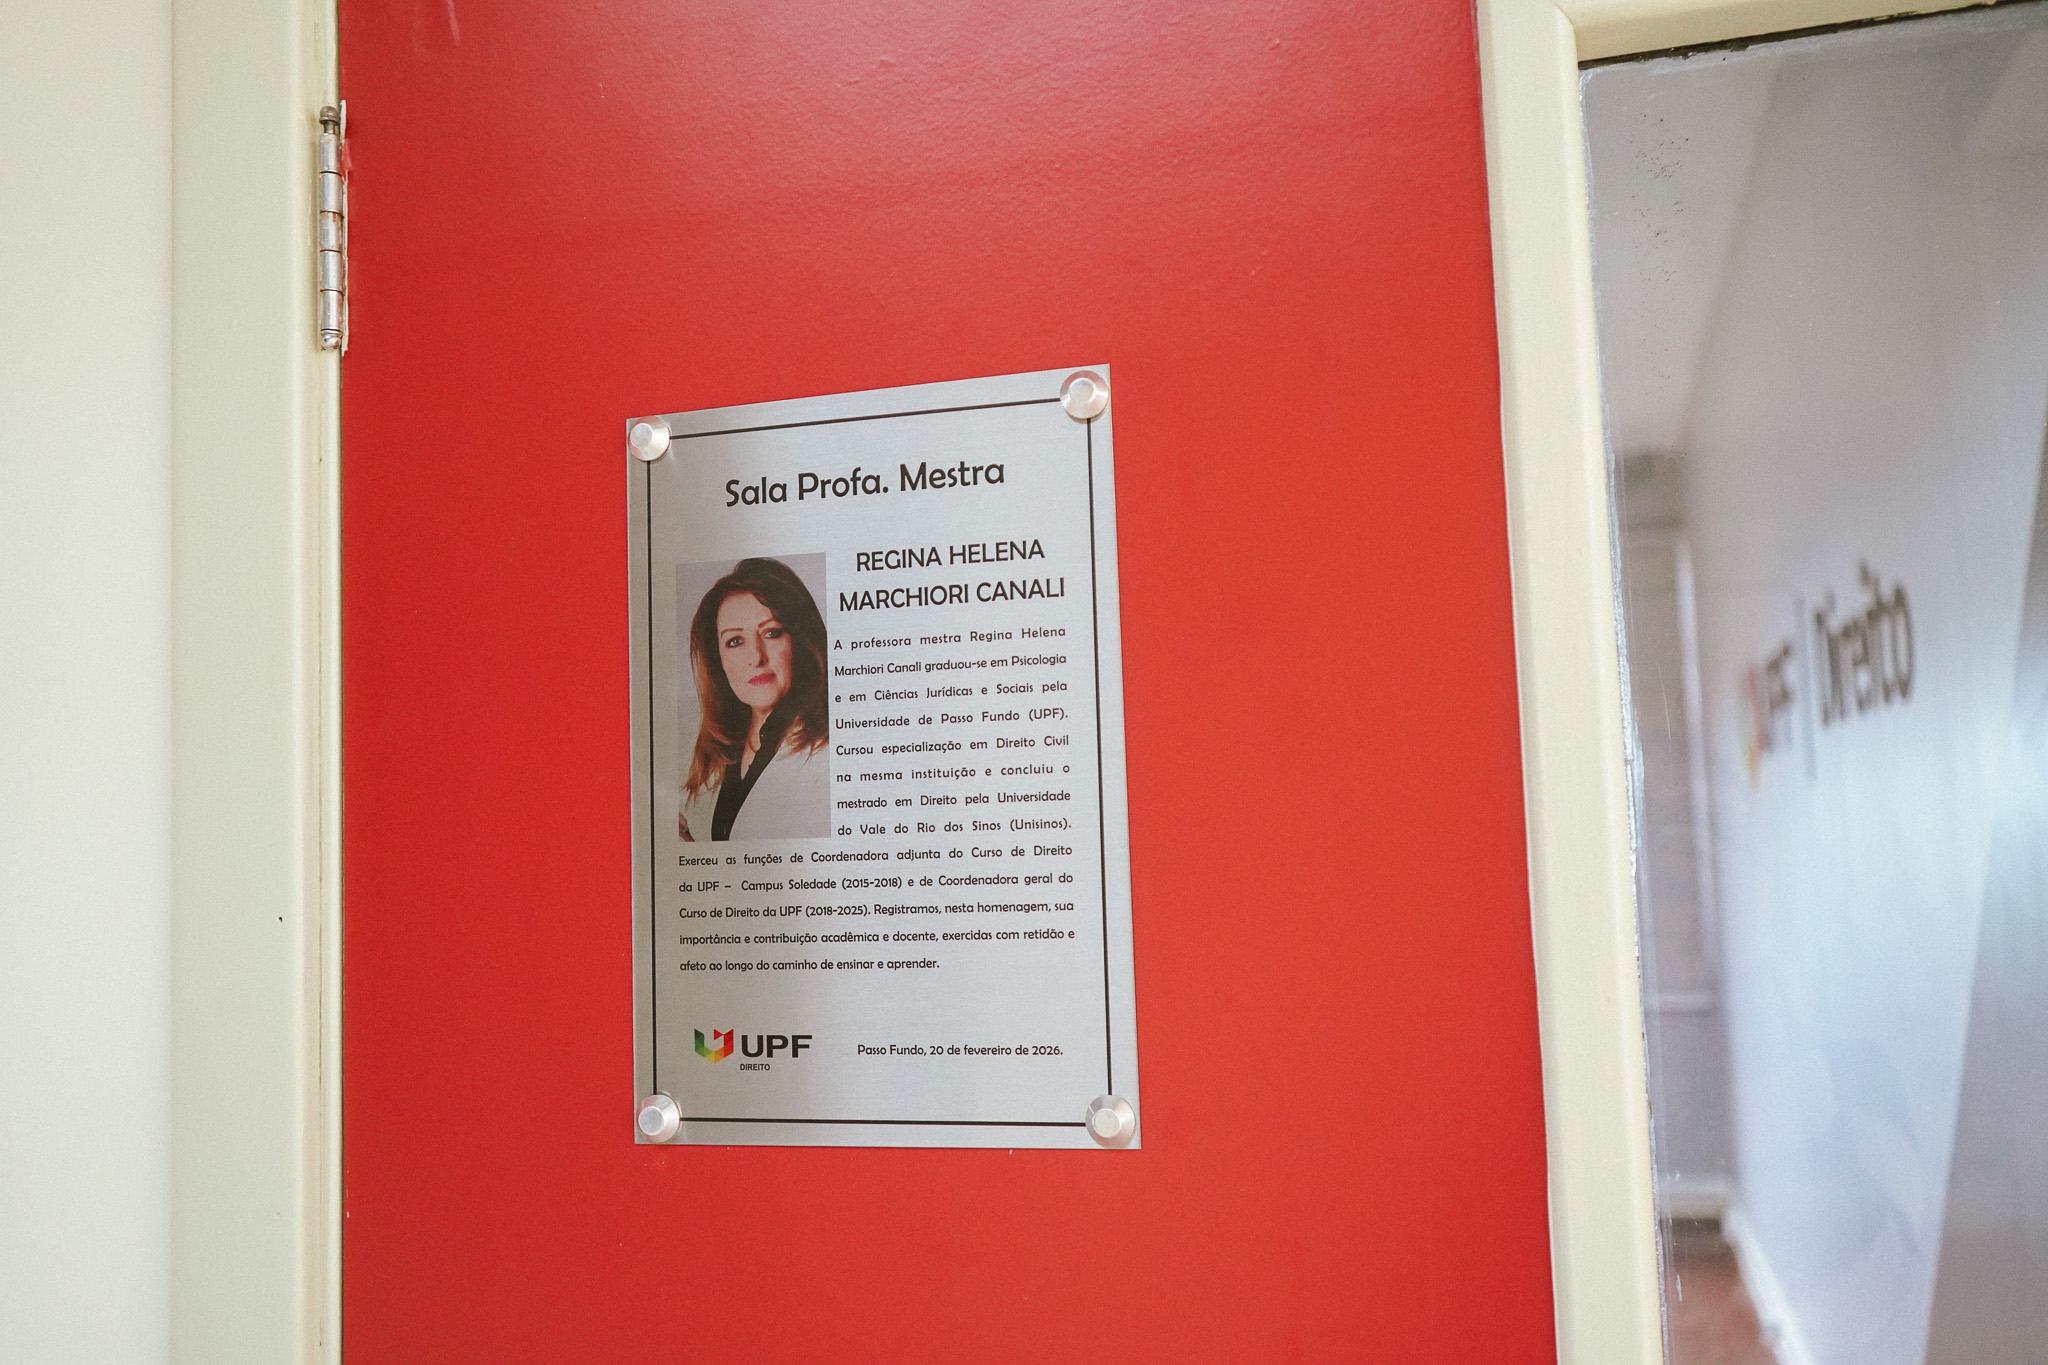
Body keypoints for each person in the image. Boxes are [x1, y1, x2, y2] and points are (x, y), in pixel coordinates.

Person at [678, 557, 830, 840]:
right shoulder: (706, 759)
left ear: (800, 642)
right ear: (719, 661)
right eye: (734, 641)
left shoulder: (831, 749)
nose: (756, 657)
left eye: (771, 633)